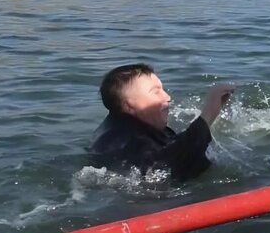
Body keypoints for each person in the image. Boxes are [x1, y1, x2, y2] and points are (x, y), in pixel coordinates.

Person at [89, 62, 234, 181]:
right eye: (156, 92)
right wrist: (208, 114)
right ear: (129, 105)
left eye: (163, 89)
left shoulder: (128, 126)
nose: (167, 97)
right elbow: (164, 169)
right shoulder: (124, 139)